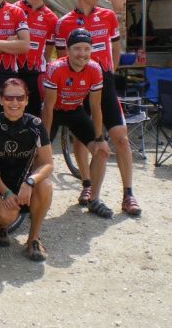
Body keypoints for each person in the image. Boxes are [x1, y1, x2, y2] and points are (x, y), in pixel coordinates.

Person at [55, 0, 142, 216]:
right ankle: (87, 185)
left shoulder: (108, 16)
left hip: (104, 81)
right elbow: (62, 58)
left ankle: (128, 193)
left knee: (121, 138)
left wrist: (108, 74)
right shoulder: (64, 23)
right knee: (82, 139)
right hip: (78, 85)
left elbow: (115, 49)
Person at [0, 78, 54, 260]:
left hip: (25, 188)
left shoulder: (35, 124)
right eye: (9, 98)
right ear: (0, 99)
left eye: (20, 98)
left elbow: (48, 164)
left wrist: (30, 182)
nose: (14, 102)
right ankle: (0, 226)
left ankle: (33, 238)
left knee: (45, 185)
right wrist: (6, 192)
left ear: (27, 100)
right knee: (7, 215)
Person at [42, 29, 112, 218]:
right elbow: (48, 108)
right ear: (68, 49)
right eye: (77, 49)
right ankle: (35, 198)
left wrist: (99, 138)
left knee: (101, 151)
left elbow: (95, 106)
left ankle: (94, 199)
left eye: (86, 49)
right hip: (55, 111)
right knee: (40, 156)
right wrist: (44, 142)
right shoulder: (55, 68)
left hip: (75, 110)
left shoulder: (95, 69)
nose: (82, 54)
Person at [14, 0, 58, 117]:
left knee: (32, 117)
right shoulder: (13, 10)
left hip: (35, 74)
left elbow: (48, 51)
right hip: (12, 71)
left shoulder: (51, 18)